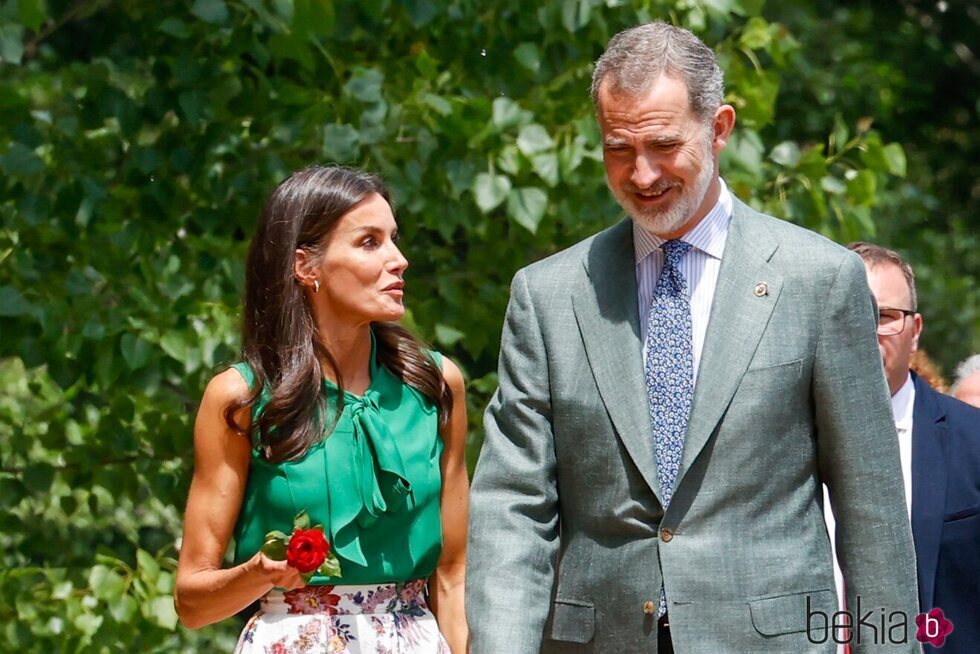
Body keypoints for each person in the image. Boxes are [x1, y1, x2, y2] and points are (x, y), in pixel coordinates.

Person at [466, 22, 918, 653]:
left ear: (720, 128)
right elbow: (514, 508)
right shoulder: (549, 295)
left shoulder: (818, 280)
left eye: (662, 144)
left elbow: (872, 512)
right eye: (618, 149)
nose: (642, 173)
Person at [174, 165, 469, 653]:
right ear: (305, 266)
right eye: (369, 242)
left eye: (394, 239)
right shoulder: (239, 399)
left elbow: (453, 573)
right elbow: (192, 602)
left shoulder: (436, 385)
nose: (400, 260)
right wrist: (259, 573)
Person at [826, 242, 979, 654]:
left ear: (915, 331)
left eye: (886, 317)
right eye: (848, 314)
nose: (866, 332)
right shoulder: (771, 444)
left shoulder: (974, 440)